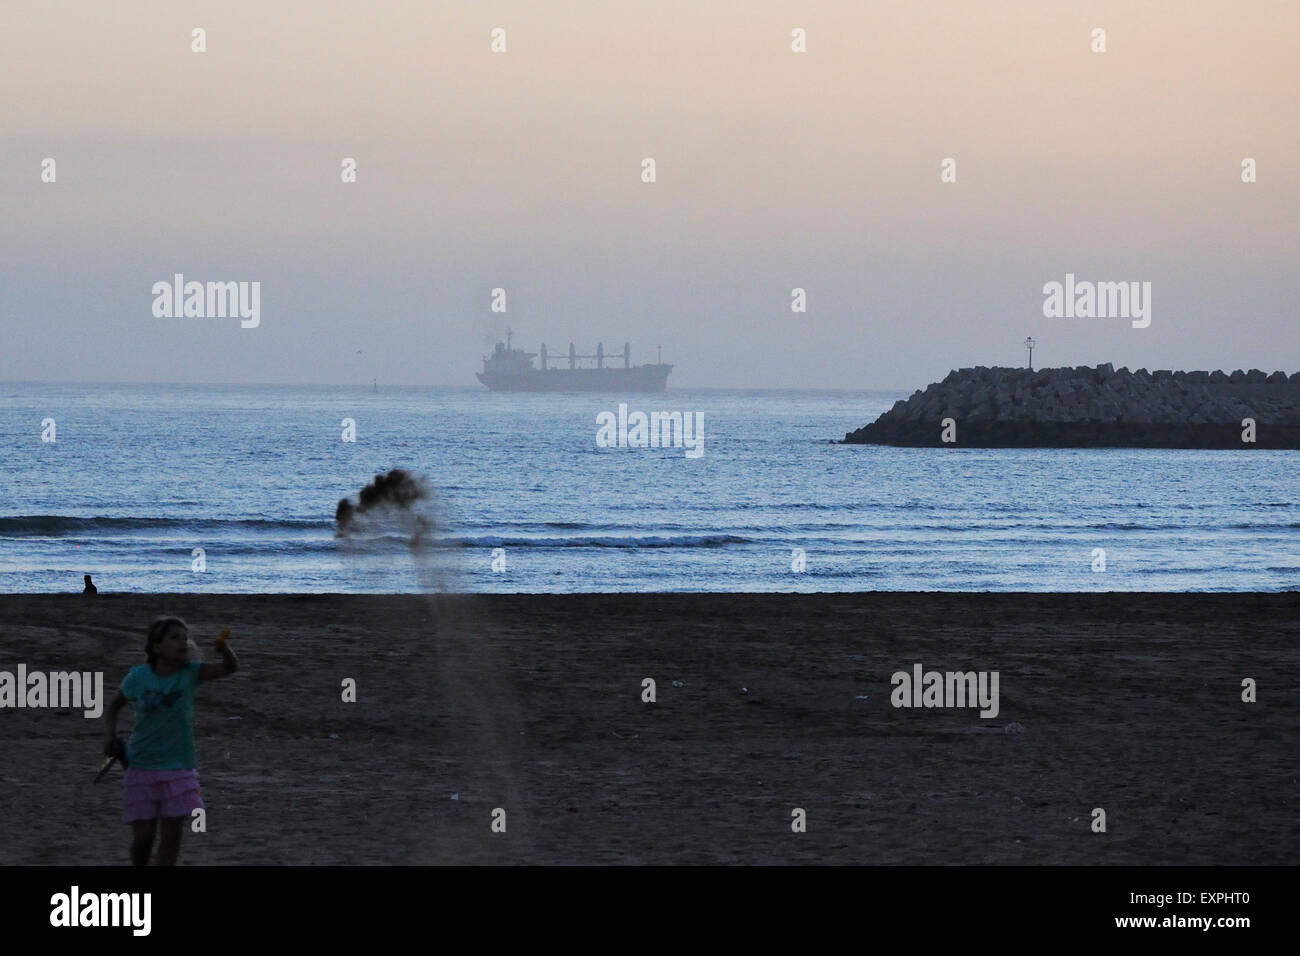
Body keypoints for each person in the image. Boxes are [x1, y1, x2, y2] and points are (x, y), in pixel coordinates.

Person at [103, 616, 239, 865]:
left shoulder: (191, 673)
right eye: (175, 637)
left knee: (172, 837)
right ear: (156, 647)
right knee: (143, 840)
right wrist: (110, 735)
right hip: (142, 765)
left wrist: (224, 650)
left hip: (179, 767)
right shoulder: (138, 677)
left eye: (185, 637)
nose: (183, 642)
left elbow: (230, 668)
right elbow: (114, 705)